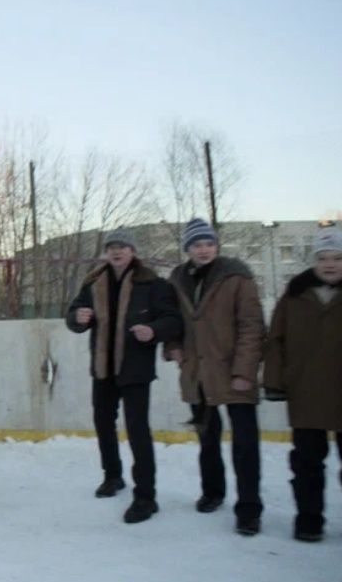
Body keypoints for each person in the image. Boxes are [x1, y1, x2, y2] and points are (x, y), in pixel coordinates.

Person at [65, 229, 182, 524]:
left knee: (137, 431)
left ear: (133, 251)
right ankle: (112, 476)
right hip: (103, 369)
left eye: (123, 247)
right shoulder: (94, 281)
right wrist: (77, 318)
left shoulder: (152, 283)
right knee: (103, 424)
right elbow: (74, 313)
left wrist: (153, 331)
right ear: (106, 252)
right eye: (112, 247)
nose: (117, 252)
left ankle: (146, 496)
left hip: (135, 370)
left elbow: (173, 319)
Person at [165, 218, 265, 536]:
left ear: (216, 246)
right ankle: (212, 492)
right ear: (188, 249)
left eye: (208, 244)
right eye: (196, 245)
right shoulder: (178, 279)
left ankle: (249, 509)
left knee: (245, 445)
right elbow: (172, 320)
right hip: (198, 373)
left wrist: (244, 372)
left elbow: (252, 326)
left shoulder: (236, 276)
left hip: (234, 372)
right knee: (207, 438)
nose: (203, 250)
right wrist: (173, 346)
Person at [264, 227, 342, 543]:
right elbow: (276, 339)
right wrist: (273, 381)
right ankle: (309, 521)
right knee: (307, 464)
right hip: (307, 391)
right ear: (314, 261)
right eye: (323, 258)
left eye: (339, 257)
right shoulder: (295, 294)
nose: (330, 264)